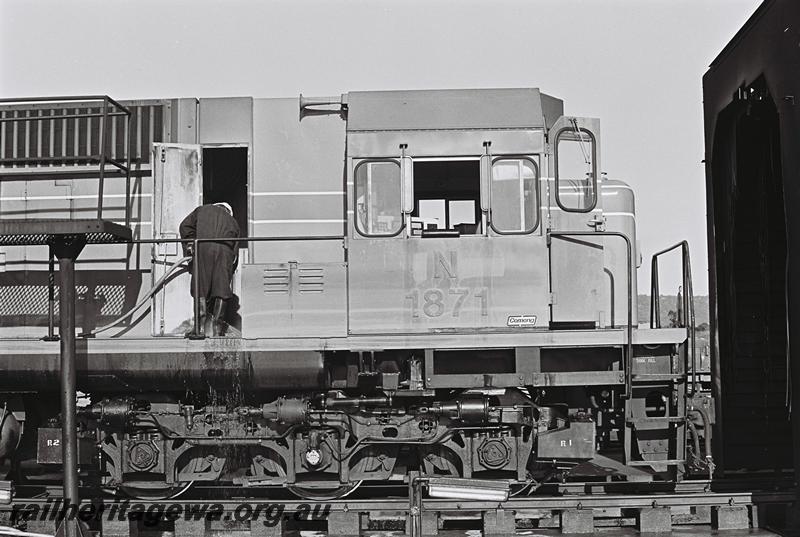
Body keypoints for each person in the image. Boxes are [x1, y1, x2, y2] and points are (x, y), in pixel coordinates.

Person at [179, 202, 240, 337]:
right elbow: (235, 252)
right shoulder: (233, 221)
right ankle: (217, 330)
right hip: (225, 251)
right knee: (222, 288)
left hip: (203, 246)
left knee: (200, 285)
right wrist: (229, 270)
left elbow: (184, 226)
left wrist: (190, 244)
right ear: (228, 211)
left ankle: (199, 329)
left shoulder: (201, 210)